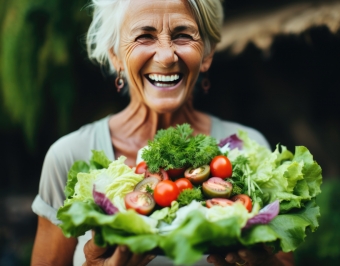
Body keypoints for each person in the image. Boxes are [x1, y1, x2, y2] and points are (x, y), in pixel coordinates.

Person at [31, 0, 294, 265]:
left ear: (208, 54)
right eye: (144, 36)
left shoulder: (250, 150)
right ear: (115, 54)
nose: (166, 56)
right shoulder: (67, 157)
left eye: (182, 35)